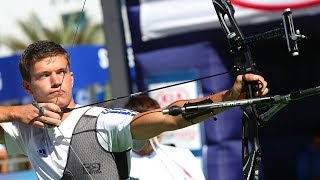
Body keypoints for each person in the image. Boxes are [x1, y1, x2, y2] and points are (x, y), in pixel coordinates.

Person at [0, 40, 268, 179]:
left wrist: (230, 95)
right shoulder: (23, 129)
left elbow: (171, 117)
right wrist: (14, 113)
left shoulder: (103, 122)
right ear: (27, 86)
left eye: (61, 72)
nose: (56, 81)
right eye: (45, 75)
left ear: (72, 77)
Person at [125, 95, 205, 180]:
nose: (159, 127)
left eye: (160, 121)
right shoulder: (120, 164)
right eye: (151, 123)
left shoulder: (182, 155)